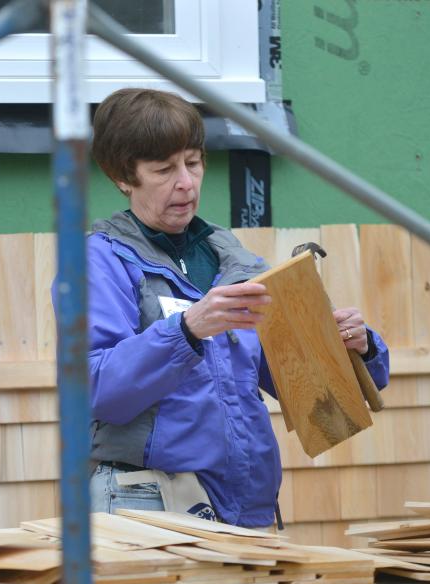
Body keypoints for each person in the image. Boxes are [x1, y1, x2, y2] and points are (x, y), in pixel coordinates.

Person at [84, 88, 390, 528]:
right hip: (149, 500)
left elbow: (311, 393)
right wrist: (187, 330)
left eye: (193, 161)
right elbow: (96, 391)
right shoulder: (98, 263)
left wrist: (353, 349)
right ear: (123, 177)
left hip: (247, 502)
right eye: (163, 169)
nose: (185, 182)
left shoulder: (238, 263)